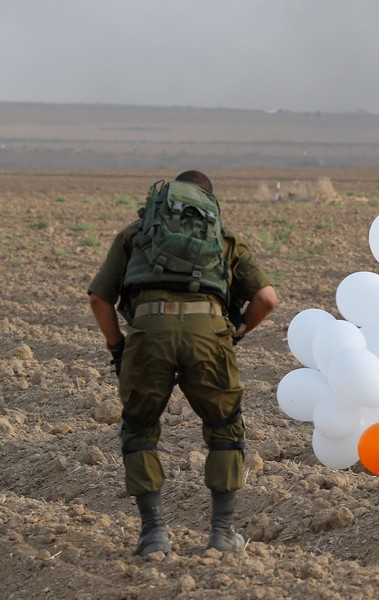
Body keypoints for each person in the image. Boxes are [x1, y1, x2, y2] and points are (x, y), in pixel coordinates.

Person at [88, 170, 278, 556]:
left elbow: (98, 299)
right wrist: (237, 331)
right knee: (225, 427)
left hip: (149, 334)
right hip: (208, 333)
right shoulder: (224, 239)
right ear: (209, 202)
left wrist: (117, 348)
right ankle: (222, 533)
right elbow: (268, 299)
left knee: (139, 428)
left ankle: (154, 535)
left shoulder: (136, 233)